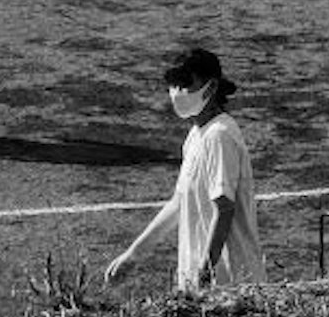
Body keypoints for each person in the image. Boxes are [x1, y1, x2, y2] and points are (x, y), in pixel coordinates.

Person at [105, 47, 268, 291]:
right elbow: (178, 204)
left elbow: (224, 208)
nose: (177, 94)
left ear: (211, 88)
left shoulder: (220, 136)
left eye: (186, 85)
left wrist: (206, 270)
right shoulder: (196, 135)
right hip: (202, 280)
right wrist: (134, 255)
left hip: (230, 283)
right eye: (174, 86)